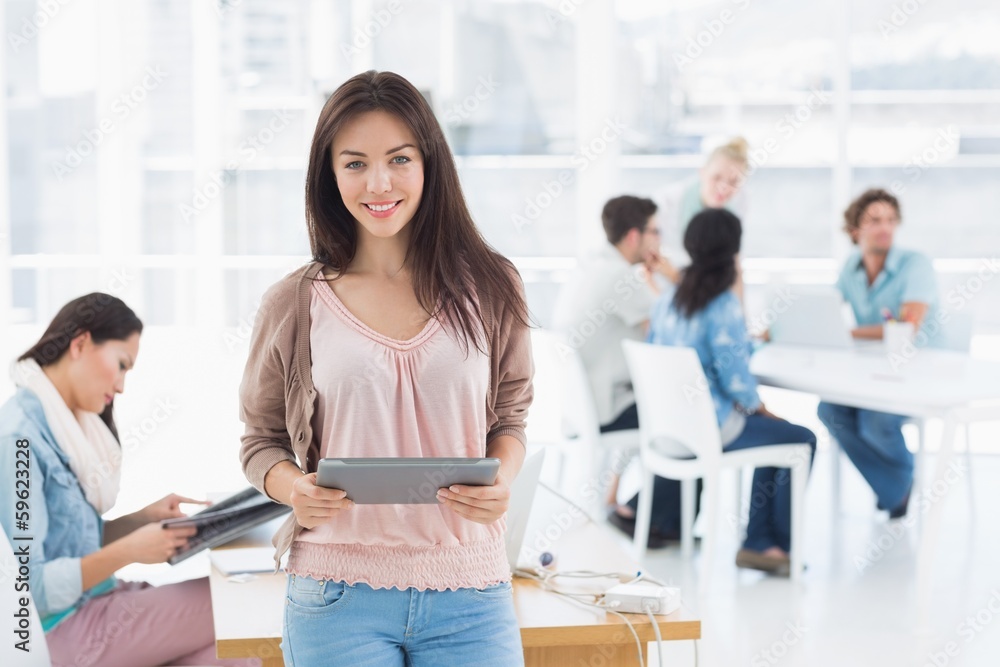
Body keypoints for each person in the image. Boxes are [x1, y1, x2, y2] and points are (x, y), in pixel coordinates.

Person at [239, 70, 533, 667]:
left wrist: (501, 479)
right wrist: (294, 488)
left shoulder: (494, 286)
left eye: (399, 159)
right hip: (336, 593)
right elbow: (260, 442)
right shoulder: (292, 303)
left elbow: (510, 415)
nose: (379, 183)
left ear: (430, 164)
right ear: (329, 175)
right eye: (354, 164)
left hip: (471, 588)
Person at [0, 293, 255, 667]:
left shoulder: (67, 428)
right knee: (237, 601)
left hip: (101, 602)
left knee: (235, 657)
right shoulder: (20, 439)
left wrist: (139, 522)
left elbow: (67, 545)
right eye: (121, 365)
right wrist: (131, 550)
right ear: (81, 343)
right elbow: (29, 589)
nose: (121, 386)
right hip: (64, 631)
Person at [638, 208, 817, 575]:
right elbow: (736, 381)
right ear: (733, 250)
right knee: (800, 439)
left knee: (775, 438)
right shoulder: (722, 304)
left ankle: (761, 542)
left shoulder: (668, 300)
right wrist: (760, 406)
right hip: (708, 430)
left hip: (667, 430)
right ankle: (767, 545)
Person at [551, 196, 685, 545]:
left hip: (580, 408)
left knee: (657, 399)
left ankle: (636, 509)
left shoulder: (592, 267)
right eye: (654, 231)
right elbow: (679, 322)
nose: (660, 241)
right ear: (633, 236)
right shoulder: (619, 278)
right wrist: (671, 275)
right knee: (685, 416)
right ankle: (658, 520)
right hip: (606, 408)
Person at [818, 188, 940, 519]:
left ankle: (894, 488)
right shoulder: (851, 268)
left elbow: (908, 326)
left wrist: (846, 333)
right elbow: (828, 309)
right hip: (876, 371)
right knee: (829, 410)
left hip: (921, 371)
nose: (884, 227)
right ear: (855, 230)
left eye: (890, 219)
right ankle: (896, 486)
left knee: (875, 419)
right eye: (874, 220)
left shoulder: (915, 265)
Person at [658, 137, 750, 267]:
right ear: (702, 172)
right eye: (717, 177)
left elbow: (735, 256)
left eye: (733, 182)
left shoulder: (740, 200)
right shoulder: (670, 201)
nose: (723, 188)